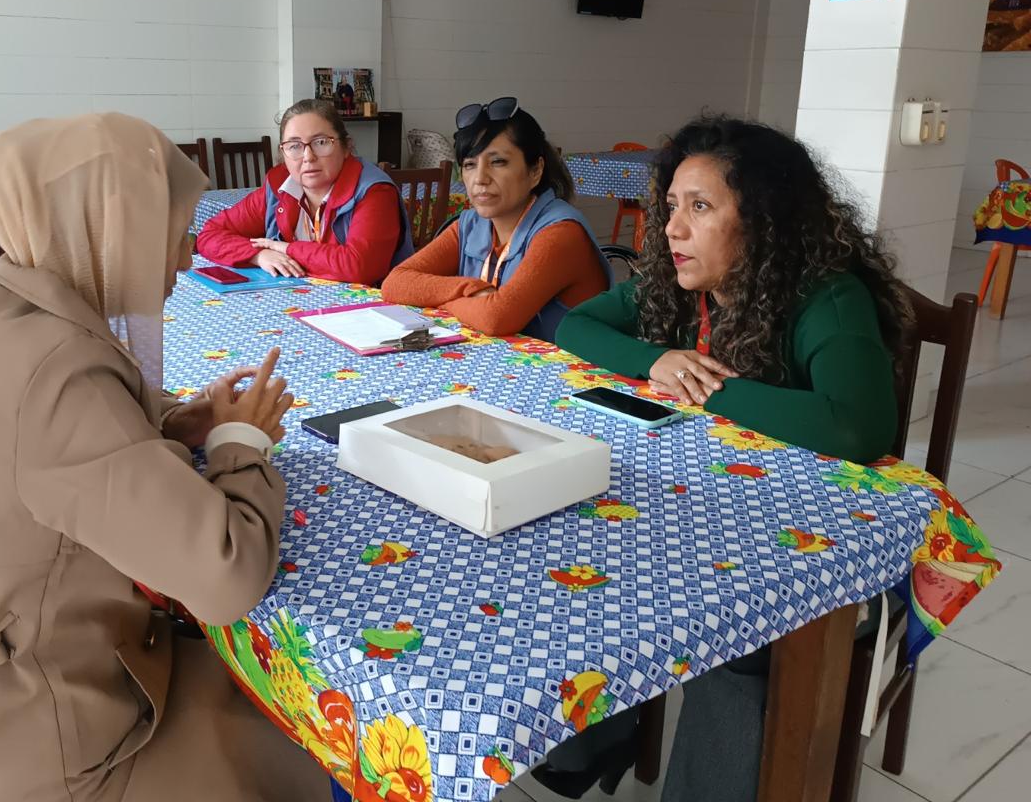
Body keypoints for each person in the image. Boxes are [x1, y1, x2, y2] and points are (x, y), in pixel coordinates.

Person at [0, 114, 330, 802]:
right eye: (174, 236)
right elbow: (226, 579)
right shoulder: (61, 375)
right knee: (314, 737)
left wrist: (174, 421)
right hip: (58, 752)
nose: (183, 261)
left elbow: (60, 445)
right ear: (109, 230)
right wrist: (243, 443)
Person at [546, 114, 910, 800]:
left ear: (764, 219)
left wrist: (710, 390)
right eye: (671, 206)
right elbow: (578, 325)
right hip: (708, 508)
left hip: (814, 549)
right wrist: (658, 360)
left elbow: (857, 427)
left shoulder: (827, 298)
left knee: (736, 633)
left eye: (700, 207)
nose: (672, 230)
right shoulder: (681, 283)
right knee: (583, 550)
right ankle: (598, 740)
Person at [381, 97, 609, 342]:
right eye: (470, 164)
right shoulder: (470, 225)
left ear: (535, 171)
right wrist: (469, 290)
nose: (480, 178)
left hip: (575, 366)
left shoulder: (561, 233)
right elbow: (395, 283)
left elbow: (496, 317)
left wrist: (441, 300)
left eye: (498, 162)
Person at [196, 99, 413, 283]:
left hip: (373, 310)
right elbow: (209, 235)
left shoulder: (374, 192)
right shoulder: (278, 187)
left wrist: (286, 249)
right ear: (283, 153)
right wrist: (259, 255)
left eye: (321, 142)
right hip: (301, 303)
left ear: (346, 147)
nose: (308, 157)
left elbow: (359, 267)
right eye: (294, 146)